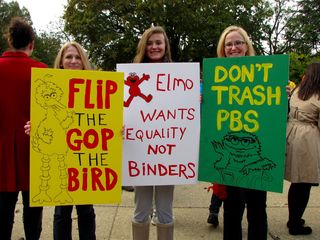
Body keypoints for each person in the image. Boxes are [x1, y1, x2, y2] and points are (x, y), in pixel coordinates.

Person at [24, 41, 96, 240]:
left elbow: (104, 119)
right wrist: (34, 128)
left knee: (86, 210)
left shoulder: (95, 86)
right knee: (62, 211)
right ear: (61, 62)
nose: (73, 61)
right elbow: (42, 118)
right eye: (68, 57)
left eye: (77, 57)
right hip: (57, 152)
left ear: (83, 61)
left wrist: (116, 128)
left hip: (84, 158)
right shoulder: (50, 87)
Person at [216, 25, 268, 240]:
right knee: (232, 209)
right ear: (223, 49)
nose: (233, 47)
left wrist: (279, 95)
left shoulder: (264, 75)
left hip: (256, 153)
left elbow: (272, 116)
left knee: (257, 208)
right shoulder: (215, 78)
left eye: (238, 43)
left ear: (247, 46)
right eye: (228, 44)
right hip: (230, 155)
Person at [0, 17, 47, 240]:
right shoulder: (43, 71)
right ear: (32, 44)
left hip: (2, 155)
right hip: (35, 154)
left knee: (3, 213)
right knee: (33, 213)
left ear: (10, 41)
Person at [130, 26, 174, 240]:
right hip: (140, 153)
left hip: (169, 156)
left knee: (165, 210)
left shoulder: (179, 76)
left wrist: (195, 100)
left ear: (165, 46)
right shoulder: (132, 74)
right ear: (144, 46)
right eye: (150, 43)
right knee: (141, 208)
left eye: (158, 42)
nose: (154, 47)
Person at [285, 62, 320, 235]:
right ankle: (295, 223)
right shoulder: (318, 94)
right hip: (307, 137)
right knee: (304, 183)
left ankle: (293, 218)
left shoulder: (297, 90)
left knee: (296, 182)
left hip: (291, 133)